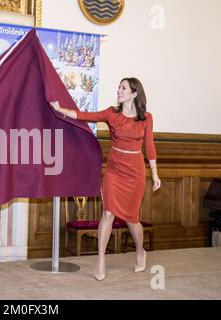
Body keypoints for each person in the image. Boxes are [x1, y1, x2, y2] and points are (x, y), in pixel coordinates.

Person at [50, 77, 161, 281]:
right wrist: (60, 110)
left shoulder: (146, 118)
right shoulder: (112, 113)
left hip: (135, 172)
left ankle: (140, 251)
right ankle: (100, 260)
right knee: (108, 213)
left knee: (132, 219)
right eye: (118, 87)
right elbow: (85, 115)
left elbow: (150, 146)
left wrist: (154, 173)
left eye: (123, 88)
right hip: (114, 170)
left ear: (134, 93)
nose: (119, 90)